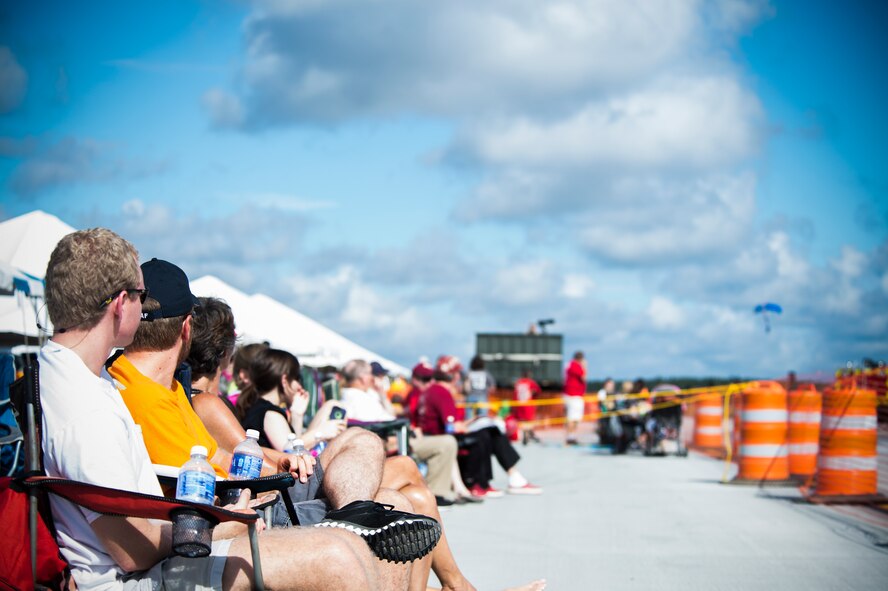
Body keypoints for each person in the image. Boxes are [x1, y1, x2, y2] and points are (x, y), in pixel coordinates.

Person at [38, 228, 392, 590]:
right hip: (131, 578)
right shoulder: (85, 411)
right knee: (339, 557)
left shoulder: (78, 375)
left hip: (166, 546)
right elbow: (135, 550)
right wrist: (230, 520)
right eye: (141, 296)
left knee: (355, 543)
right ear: (120, 304)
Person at [107, 258, 440, 568]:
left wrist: (279, 460)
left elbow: (215, 457)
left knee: (362, 441)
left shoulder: (160, 386)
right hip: (251, 511)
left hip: (258, 495)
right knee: (404, 501)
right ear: (186, 328)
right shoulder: (147, 398)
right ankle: (356, 523)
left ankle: (354, 516)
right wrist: (267, 478)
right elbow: (207, 488)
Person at [184, 299, 492, 591]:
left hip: (282, 490)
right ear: (225, 353)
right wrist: (294, 456)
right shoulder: (207, 401)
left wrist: (295, 447)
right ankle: (455, 583)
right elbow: (249, 460)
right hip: (279, 496)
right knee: (406, 474)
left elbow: (247, 450)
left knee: (417, 495)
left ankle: (453, 584)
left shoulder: (200, 400)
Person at [341, 359, 475, 507]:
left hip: (397, 436)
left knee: (446, 441)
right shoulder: (358, 399)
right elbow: (378, 424)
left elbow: (389, 414)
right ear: (363, 378)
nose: (374, 378)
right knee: (446, 442)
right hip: (393, 440)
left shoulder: (362, 395)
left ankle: (446, 490)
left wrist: (382, 394)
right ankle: (436, 494)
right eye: (371, 374)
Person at [407, 364, 542, 497]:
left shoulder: (430, 391)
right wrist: (471, 424)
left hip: (435, 436)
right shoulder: (441, 392)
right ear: (454, 376)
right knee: (486, 433)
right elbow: (450, 427)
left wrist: (473, 421)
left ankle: (502, 479)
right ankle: (482, 483)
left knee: (488, 430)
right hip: (439, 438)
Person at [563, 351, 587, 445]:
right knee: (573, 417)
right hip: (574, 395)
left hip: (570, 394)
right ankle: (570, 437)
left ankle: (571, 436)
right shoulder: (575, 366)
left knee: (572, 417)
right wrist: (584, 367)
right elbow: (583, 377)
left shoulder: (568, 365)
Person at [514, 369, 542, 445]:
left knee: (523, 420)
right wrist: (533, 393)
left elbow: (515, 394)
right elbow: (538, 391)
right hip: (528, 404)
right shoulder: (530, 382)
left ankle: (527, 434)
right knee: (528, 421)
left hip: (519, 404)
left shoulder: (518, 383)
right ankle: (527, 434)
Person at [463, 355, 495, 420]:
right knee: (483, 418)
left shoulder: (469, 373)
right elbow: (492, 386)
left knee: (468, 418)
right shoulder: (485, 373)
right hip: (482, 397)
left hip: (470, 396)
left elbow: (465, 386)